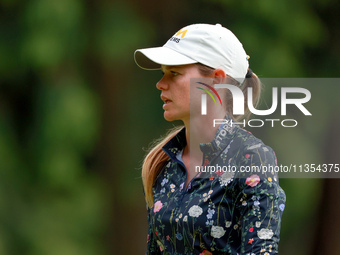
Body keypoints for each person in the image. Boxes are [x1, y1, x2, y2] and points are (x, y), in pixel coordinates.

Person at [134, 23, 286, 255]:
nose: (161, 83)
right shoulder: (161, 166)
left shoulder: (252, 158)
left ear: (216, 79)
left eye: (174, 73)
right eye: (163, 72)